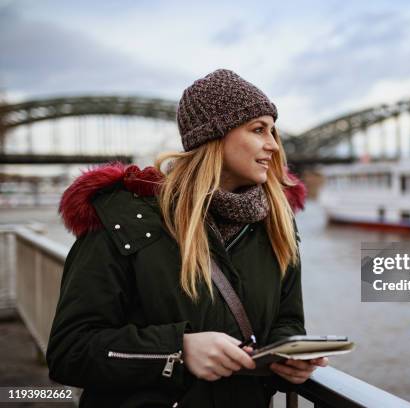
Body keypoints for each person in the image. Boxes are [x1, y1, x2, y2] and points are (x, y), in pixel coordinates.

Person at [46, 69, 327, 407]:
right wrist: (177, 350)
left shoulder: (276, 224)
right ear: (214, 138)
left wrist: (289, 352)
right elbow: (69, 350)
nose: (273, 144)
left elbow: (287, 318)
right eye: (258, 130)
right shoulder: (126, 220)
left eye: (273, 131)